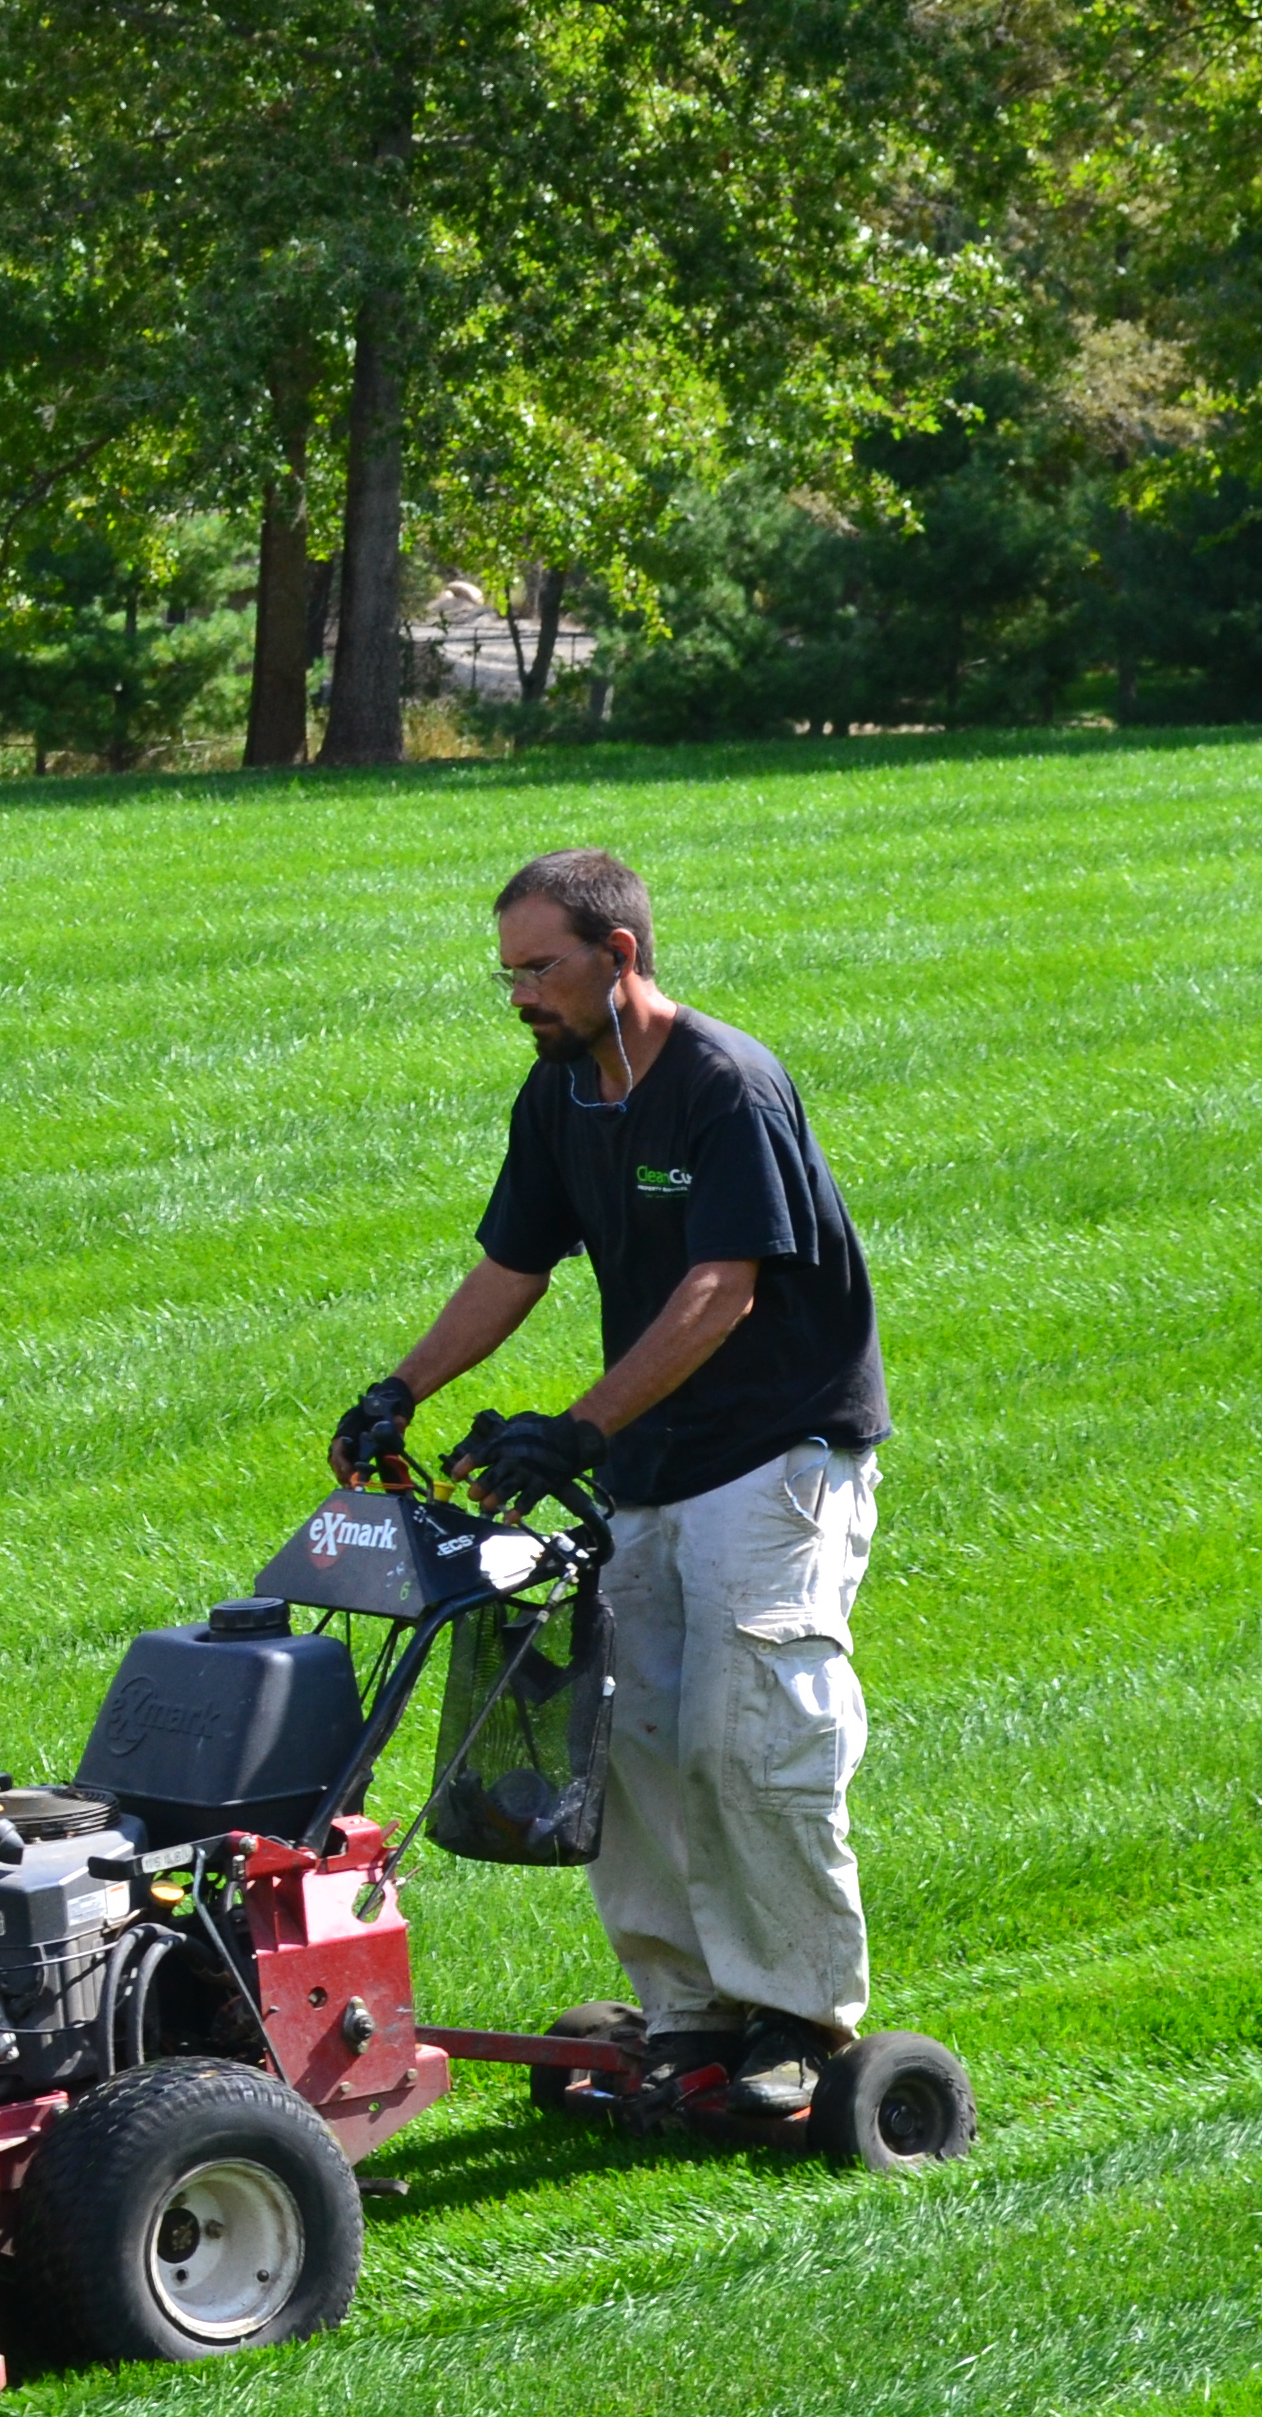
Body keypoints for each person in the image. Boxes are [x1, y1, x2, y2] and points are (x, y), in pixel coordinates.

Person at [330, 847, 891, 2117]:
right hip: (655, 1468)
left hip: (777, 1457)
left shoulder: (723, 1087)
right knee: (628, 1744)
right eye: (508, 971)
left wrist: (575, 1429)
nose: (518, 993)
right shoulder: (563, 1094)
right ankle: (690, 2013)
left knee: (746, 1741)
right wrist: (400, 1390)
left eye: (540, 968)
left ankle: (799, 2018)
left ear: (618, 957)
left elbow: (721, 1291)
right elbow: (511, 1268)